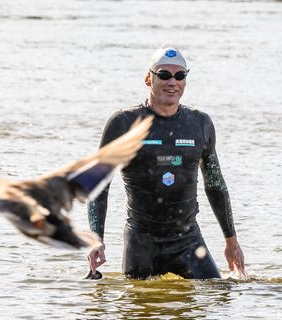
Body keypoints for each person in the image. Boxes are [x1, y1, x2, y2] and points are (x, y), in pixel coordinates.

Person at [86, 45, 245, 279]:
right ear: (148, 79)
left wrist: (231, 241)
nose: (173, 82)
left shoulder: (200, 123)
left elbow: (215, 183)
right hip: (141, 241)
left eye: (180, 75)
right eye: (164, 75)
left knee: (218, 295)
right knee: (140, 309)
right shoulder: (124, 123)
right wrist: (96, 239)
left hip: (188, 240)